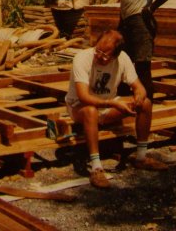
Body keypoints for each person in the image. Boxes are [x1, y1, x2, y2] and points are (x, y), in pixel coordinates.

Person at [118, 0, 176, 168]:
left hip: (140, 22)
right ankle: (124, 122)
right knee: (122, 70)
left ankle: (145, 124)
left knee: (143, 70)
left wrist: (152, 7)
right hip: (126, 22)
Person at [65, 29, 156, 188]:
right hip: (79, 107)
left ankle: (141, 157)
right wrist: (113, 103)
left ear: (116, 55)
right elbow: (83, 97)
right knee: (91, 110)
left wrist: (139, 96)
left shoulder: (123, 59)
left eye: (105, 55)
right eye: (98, 50)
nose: (99, 56)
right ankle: (96, 167)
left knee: (146, 103)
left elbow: (139, 87)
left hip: (107, 105)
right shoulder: (82, 58)